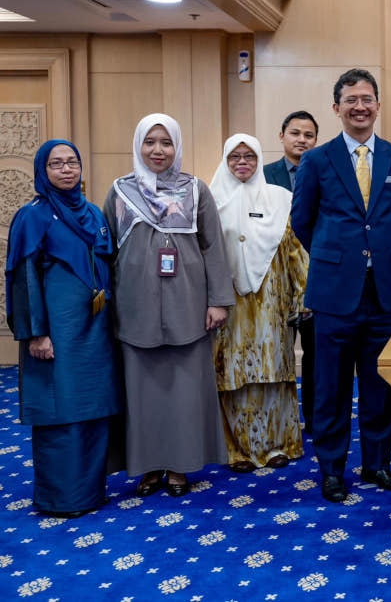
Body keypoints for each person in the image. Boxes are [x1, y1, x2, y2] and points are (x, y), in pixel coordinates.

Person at [290, 68, 391, 503]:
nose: (360, 106)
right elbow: (302, 221)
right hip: (333, 293)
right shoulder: (316, 161)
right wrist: (335, 256)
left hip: (384, 292)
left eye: (367, 99)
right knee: (331, 386)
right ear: (336, 107)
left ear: (377, 105)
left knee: (380, 385)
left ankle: (377, 464)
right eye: (351, 99)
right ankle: (332, 468)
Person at [104, 113, 234, 498]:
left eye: (166, 143)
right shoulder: (119, 191)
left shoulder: (196, 190)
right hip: (135, 309)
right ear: (138, 145)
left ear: (176, 147)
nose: (157, 150)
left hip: (189, 308)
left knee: (183, 394)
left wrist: (219, 301)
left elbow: (213, 247)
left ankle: (180, 466)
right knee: (141, 396)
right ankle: (146, 467)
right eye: (150, 142)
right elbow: (106, 250)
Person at [5, 140, 123, 518]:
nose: (67, 169)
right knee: (61, 410)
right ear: (44, 171)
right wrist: (36, 333)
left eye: (72, 162)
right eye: (57, 164)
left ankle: (91, 492)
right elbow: (23, 279)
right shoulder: (32, 216)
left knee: (94, 405)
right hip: (56, 331)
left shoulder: (93, 214)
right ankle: (62, 498)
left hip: (95, 328)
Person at [211, 133, 308, 472]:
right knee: (234, 376)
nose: (242, 162)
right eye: (234, 156)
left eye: (249, 156)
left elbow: (296, 249)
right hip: (229, 303)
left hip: (272, 301)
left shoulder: (280, 198)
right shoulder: (211, 201)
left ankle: (279, 444)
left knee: (273, 372)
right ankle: (239, 450)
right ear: (225, 161)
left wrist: (303, 293)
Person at [264, 110, 319, 435]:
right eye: (295, 133)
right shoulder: (264, 174)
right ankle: (280, 422)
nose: (301, 140)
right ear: (282, 136)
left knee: (314, 359)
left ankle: (313, 420)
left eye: (309, 135)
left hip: (314, 280)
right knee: (277, 354)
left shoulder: (321, 173)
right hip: (274, 280)